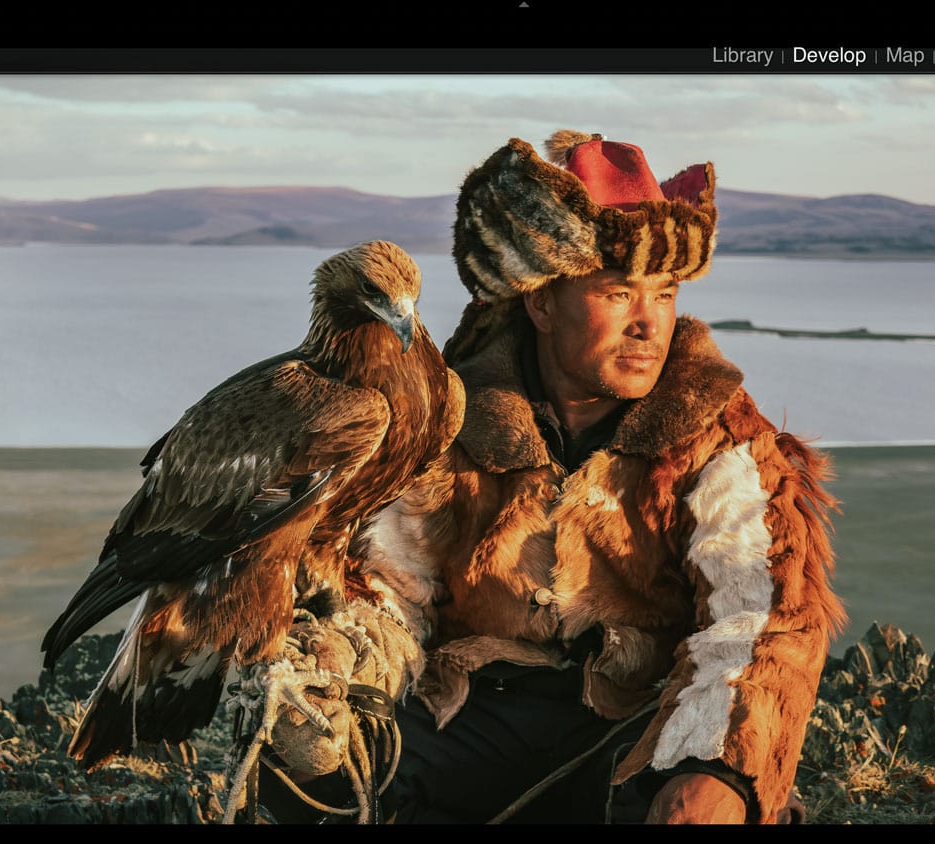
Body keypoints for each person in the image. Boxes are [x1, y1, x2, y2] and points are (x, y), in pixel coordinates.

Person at [259, 130, 844, 825]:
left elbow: (760, 625)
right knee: (315, 772)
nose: (648, 324)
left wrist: (714, 767)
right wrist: (340, 669)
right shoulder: (450, 420)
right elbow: (390, 589)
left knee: (699, 806)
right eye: (618, 292)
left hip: (637, 721)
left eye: (663, 293)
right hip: (472, 709)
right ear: (541, 304)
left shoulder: (720, 436)